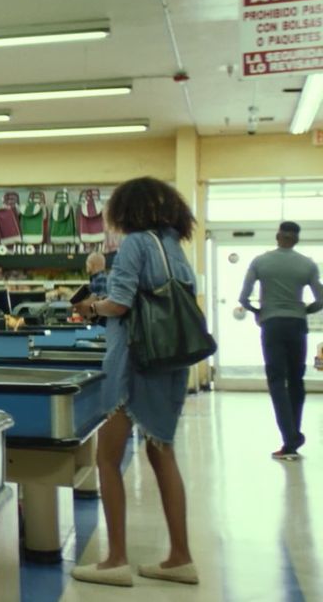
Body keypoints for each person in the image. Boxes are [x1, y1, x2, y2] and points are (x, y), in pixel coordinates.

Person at [69, 176, 198, 587]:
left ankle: (116, 560)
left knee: (107, 457)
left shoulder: (134, 245)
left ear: (128, 210)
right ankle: (180, 556)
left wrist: (91, 307)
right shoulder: (175, 247)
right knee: (163, 453)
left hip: (133, 361)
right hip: (170, 359)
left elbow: (119, 303)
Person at [238, 221, 323, 460]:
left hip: (272, 325)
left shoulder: (260, 262)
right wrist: (302, 311)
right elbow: (321, 299)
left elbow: (244, 298)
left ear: (278, 237)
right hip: (297, 325)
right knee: (296, 380)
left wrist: (259, 312)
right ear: (296, 239)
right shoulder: (307, 264)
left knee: (277, 381)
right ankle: (293, 436)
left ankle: (290, 439)